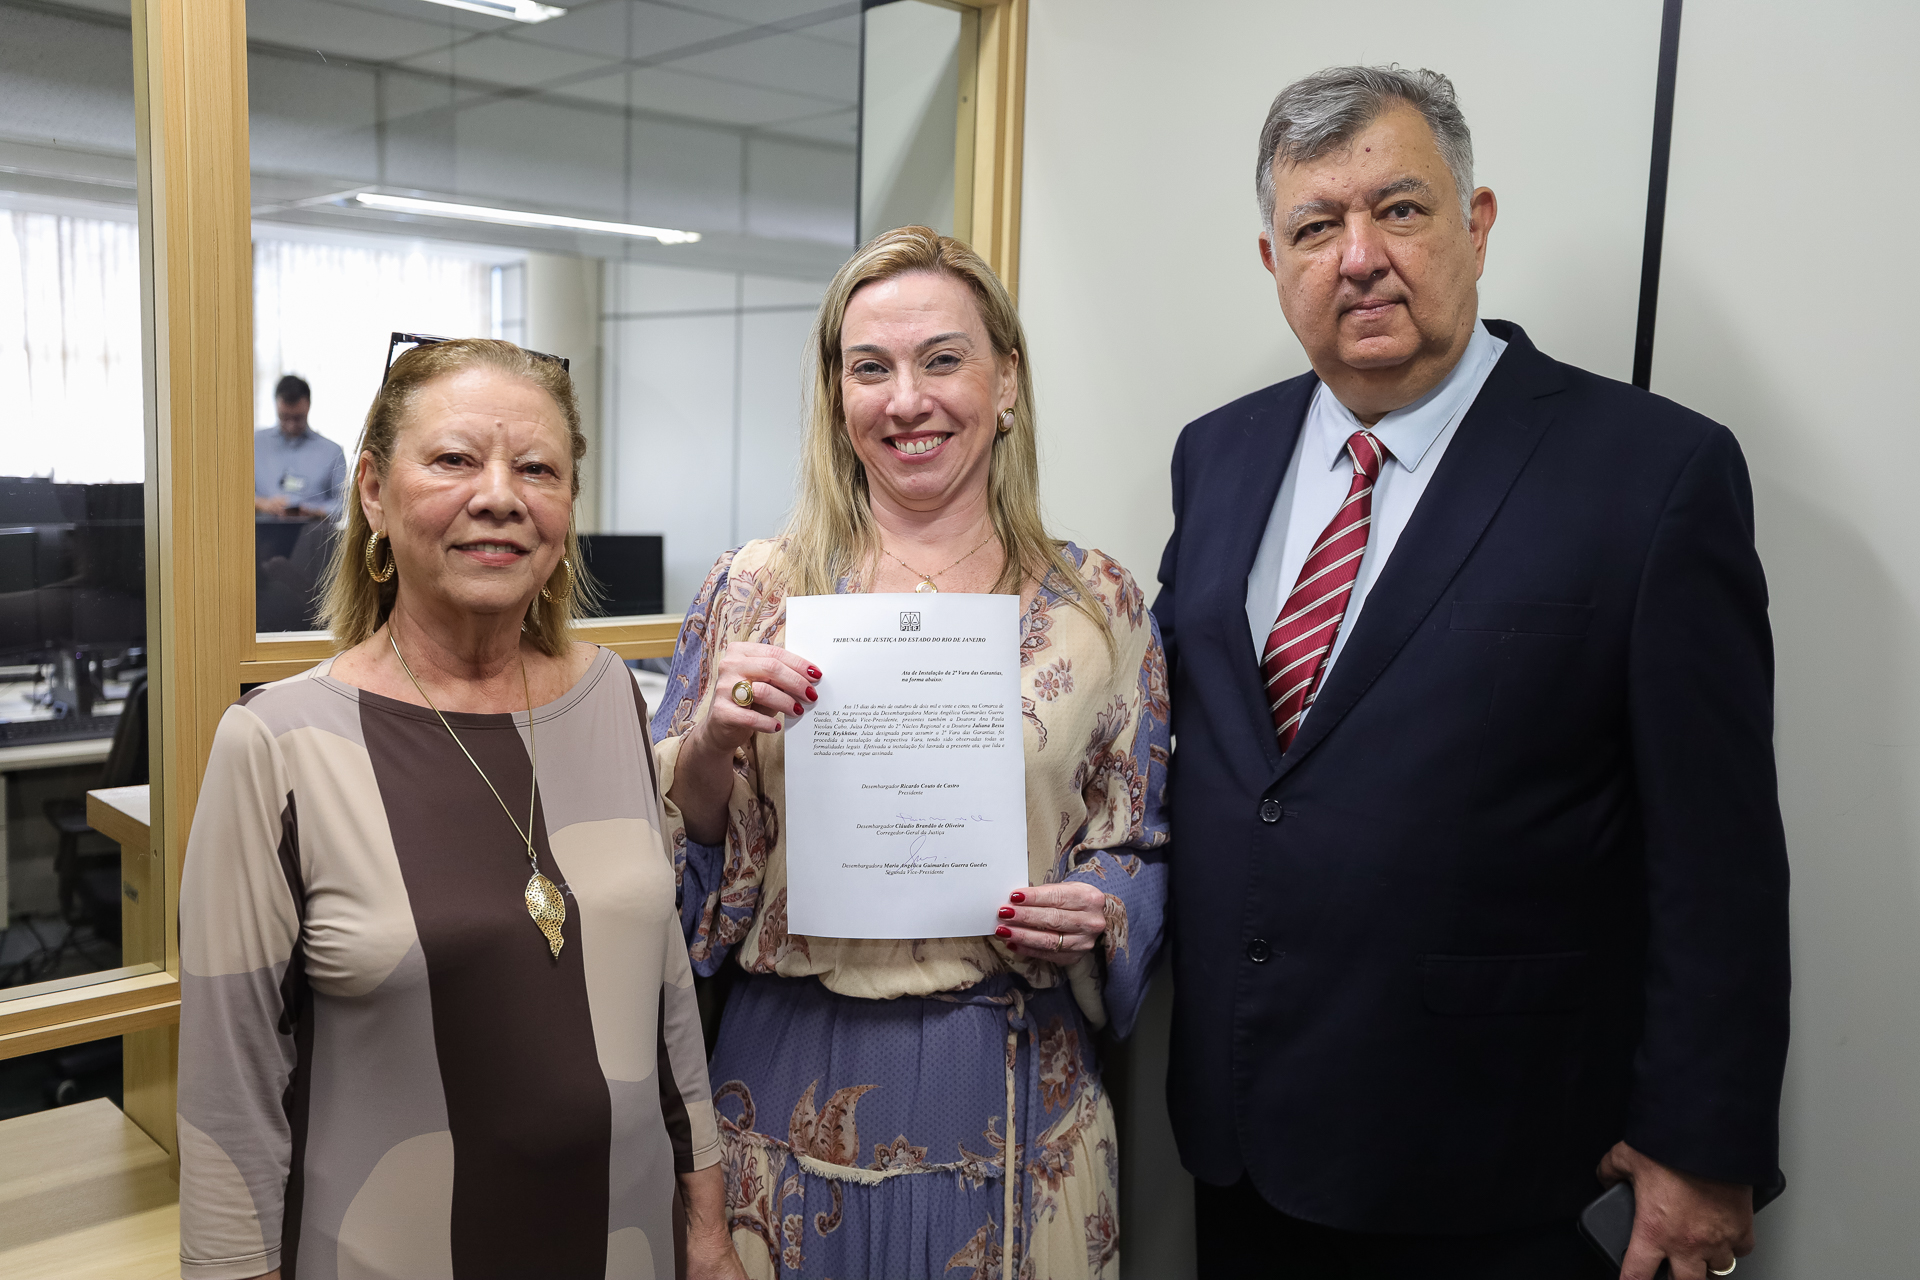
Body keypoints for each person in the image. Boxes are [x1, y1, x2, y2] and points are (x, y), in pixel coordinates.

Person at [1153, 66, 1790, 1280]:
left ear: (1476, 223)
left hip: (1500, 1161)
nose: (1359, 257)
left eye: (1399, 209)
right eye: (1315, 226)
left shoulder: (1653, 474)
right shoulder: (1219, 454)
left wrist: (1705, 1145)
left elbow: (1723, 857)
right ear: (1271, 257)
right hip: (1243, 1144)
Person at [651, 225, 1169, 1279]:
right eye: (870, 368)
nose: (907, 401)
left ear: (1006, 378)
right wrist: (710, 735)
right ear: (837, 394)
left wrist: (1101, 906)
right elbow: (671, 847)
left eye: (943, 359)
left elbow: (1140, 837)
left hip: (1016, 1098)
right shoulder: (751, 589)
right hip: (783, 1088)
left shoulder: (1094, 603)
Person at [177, 339, 745, 1280]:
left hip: (625, 1246)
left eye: (537, 469)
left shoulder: (610, 697)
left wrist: (708, 1220)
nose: (500, 496)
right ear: (370, 491)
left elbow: (665, 995)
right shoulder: (278, 747)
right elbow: (229, 1094)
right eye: (452, 460)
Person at [255, 373, 347, 521]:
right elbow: (233, 495)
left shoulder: (332, 452)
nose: (291, 425)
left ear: (308, 407)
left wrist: (316, 511)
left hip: (313, 537)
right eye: (284, 417)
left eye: (298, 418)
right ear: (276, 406)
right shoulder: (254, 444)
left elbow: (345, 505)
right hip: (261, 537)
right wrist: (263, 504)